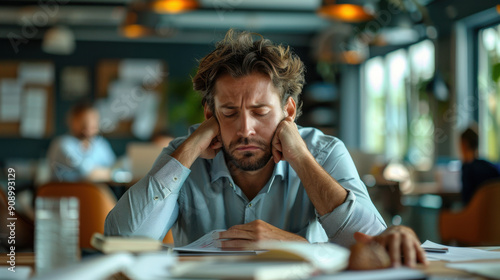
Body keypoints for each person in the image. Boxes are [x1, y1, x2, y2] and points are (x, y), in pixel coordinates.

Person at [105, 29, 427, 267]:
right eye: (229, 112)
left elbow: (371, 243)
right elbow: (122, 243)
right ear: (209, 115)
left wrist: (300, 159)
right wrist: (188, 150)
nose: (245, 129)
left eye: (260, 112)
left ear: (288, 112)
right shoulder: (183, 154)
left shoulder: (325, 151)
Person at [47, 102, 116, 182]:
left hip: (94, 191)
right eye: (83, 120)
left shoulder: (101, 144)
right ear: (72, 121)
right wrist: (109, 173)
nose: (89, 124)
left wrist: (110, 172)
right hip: (65, 192)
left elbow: (116, 168)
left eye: (94, 119)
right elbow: (87, 173)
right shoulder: (62, 144)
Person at [459, 126, 500, 205]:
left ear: (464, 144)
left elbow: (466, 200)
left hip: (474, 214)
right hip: (493, 213)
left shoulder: (468, 169)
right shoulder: (491, 167)